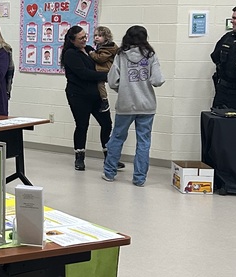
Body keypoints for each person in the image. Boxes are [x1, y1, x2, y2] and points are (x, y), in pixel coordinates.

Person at [102, 25, 165, 186]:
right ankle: (139, 179)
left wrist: (123, 89)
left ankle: (109, 173)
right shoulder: (150, 55)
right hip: (147, 105)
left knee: (117, 138)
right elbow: (157, 80)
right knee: (143, 142)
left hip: (125, 104)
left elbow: (112, 81)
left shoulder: (120, 55)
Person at [61, 25, 117, 172]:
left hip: (96, 95)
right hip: (78, 95)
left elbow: (101, 63)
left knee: (106, 124)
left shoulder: (89, 49)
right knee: (82, 125)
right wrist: (107, 76)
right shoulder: (70, 54)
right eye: (81, 38)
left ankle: (109, 158)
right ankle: (79, 158)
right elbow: (84, 74)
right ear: (72, 40)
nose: (85, 40)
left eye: (85, 36)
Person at [89, 24, 119, 111]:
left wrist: (92, 53)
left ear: (106, 37)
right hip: (104, 69)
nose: (97, 37)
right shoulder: (101, 46)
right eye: (95, 35)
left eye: (100, 36)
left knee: (100, 84)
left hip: (106, 69)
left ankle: (104, 100)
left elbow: (100, 59)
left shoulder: (108, 48)